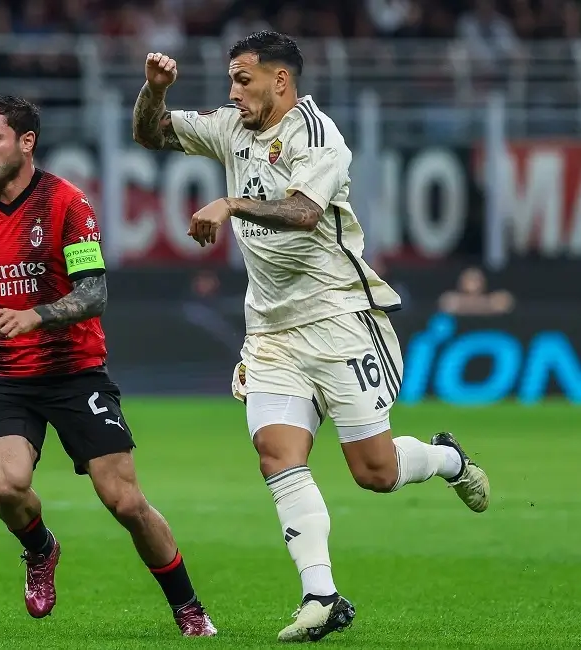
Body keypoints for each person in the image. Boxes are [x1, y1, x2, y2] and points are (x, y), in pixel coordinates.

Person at [131, 32, 490, 643]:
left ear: (281, 81)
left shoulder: (318, 137)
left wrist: (230, 203)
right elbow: (150, 134)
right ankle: (321, 595)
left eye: (244, 79)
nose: (233, 90)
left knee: (373, 472)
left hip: (339, 319)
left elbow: (302, 212)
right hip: (270, 330)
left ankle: (448, 459)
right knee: (277, 455)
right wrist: (154, 91)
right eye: (230, 78)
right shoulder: (229, 128)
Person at [0, 95, 216, 637]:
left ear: (26, 142)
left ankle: (188, 607)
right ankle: (40, 550)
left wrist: (35, 316)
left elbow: (94, 292)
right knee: (6, 486)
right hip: (3, 374)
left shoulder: (66, 203)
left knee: (125, 501)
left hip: (74, 370)